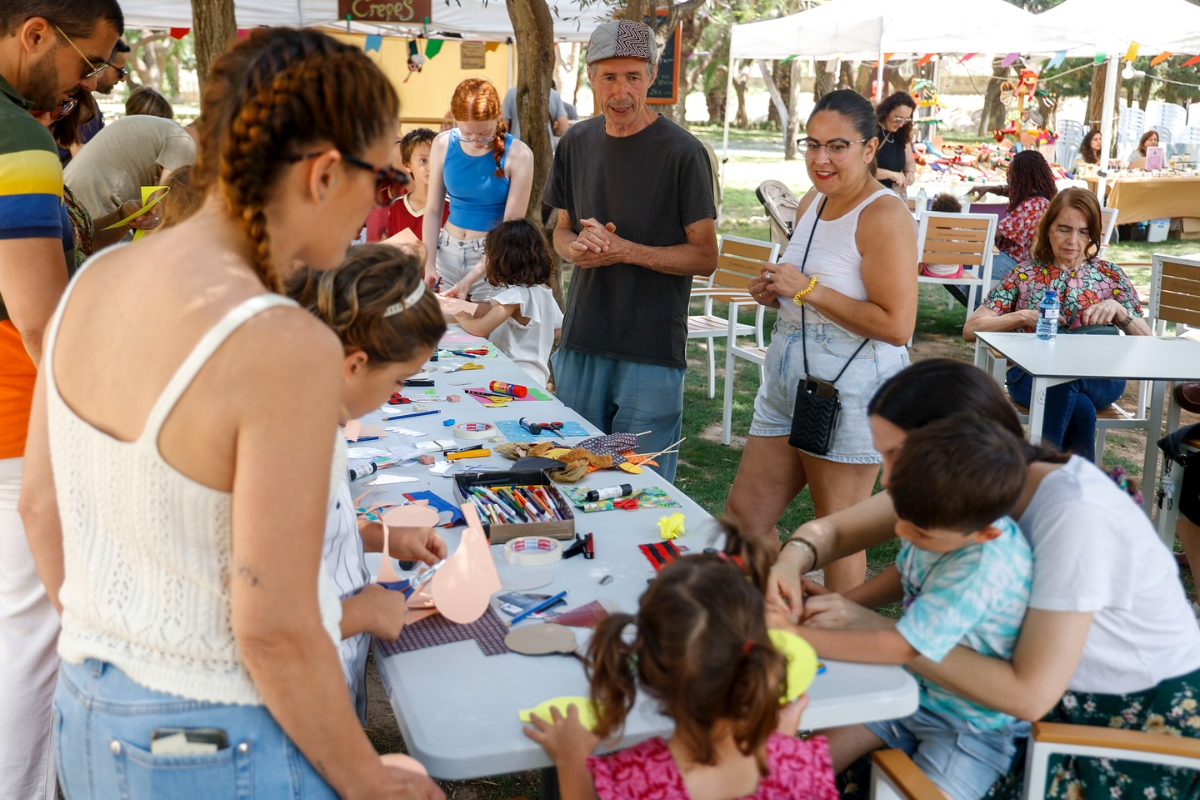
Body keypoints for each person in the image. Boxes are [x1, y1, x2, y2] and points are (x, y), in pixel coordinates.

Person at [19, 28, 442, 800]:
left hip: (89, 711)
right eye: (381, 181)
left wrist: (119, 646)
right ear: (323, 173)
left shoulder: (93, 282)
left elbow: (42, 508)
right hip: (221, 737)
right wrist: (372, 783)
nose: (375, 207)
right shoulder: (283, 341)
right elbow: (275, 628)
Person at [767, 358, 1200, 800]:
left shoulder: (1073, 514)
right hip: (978, 698)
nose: (889, 478)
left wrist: (867, 625)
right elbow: (843, 535)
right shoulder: (964, 486)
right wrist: (792, 561)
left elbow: (1028, 695)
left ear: (959, 445)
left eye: (896, 455)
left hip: (1112, 729)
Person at [776, 414, 1032, 800]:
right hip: (911, 688)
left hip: (970, 729)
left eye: (919, 534)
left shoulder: (983, 566)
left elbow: (900, 646)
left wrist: (792, 634)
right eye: (904, 521)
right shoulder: (938, 520)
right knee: (800, 768)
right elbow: (908, 574)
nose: (902, 533)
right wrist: (835, 604)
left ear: (985, 533)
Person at [0, 4, 121, 798]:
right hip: (17, 418)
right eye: (89, 59)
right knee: (32, 640)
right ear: (36, 33)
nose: (91, 81)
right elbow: (40, 319)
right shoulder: (17, 139)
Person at [726, 89, 915, 593]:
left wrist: (806, 289)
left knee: (835, 535)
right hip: (789, 372)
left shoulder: (884, 214)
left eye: (837, 146)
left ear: (870, 148)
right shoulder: (813, 200)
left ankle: (834, 633)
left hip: (851, 384)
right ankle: (781, 611)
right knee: (744, 519)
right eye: (812, 144)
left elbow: (897, 325)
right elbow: (808, 292)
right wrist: (776, 294)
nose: (820, 158)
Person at [523, 522, 837, 800]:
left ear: (649, 671)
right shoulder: (803, 768)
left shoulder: (634, 780)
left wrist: (572, 761)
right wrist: (778, 743)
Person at [544, 20, 718, 484]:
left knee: (637, 486)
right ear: (590, 76)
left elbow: (705, 257)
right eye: (609, 77)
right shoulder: (575, 143)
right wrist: (577, 250)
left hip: (651, 349)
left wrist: (626, 251)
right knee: (571, 472)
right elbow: (561, 230)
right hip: (582, 339)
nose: (621, 92)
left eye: (633, 77)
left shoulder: (684, 153)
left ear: (652, 76)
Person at [285, 244, 447, 724]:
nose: (395, 398)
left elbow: (311, 532)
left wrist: (381, 536)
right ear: (354, 365)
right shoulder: (287, 449)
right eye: (399, 382)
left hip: (332, 670)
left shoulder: (319, 422)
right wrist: (366, 612)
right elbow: (259, 616)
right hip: (299, 698)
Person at [964, 188, 1151, 461]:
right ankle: (1074, 478)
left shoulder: (1110, 275)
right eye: (1064, 229)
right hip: (1033, 375)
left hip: (1101, 377)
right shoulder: (1025, 274)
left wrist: (1120, 311)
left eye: (1083, 232)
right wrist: (1022, 316)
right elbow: (971, 329)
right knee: (1077, 402)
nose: (1073, 241)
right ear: (1048, 228)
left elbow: (1148, 341)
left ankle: (1040, 468)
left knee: (1063, 381)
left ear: (1093, 235)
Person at [423, 78, 533, 299]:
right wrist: (429, 263)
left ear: (498, 118)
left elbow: (510, 229)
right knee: (443, 320)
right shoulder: (442, 144)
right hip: (447, 253)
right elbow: (433, 210)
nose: (475, 141)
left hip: (492, 257)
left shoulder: (519, 154)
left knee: (487, 321)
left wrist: (469, 280)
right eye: (466, 134)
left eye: (484, 134)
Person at [34, 92, 162, 265]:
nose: (48, 119)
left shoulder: (47, 173)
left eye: (64, 107)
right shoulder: (23, 180)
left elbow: (85, 243)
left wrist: (123, 217)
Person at [439, 219, 563, 387]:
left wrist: (464, 320)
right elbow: (557, 330)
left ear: (502, 259)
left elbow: (480, 328)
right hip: (537, 376)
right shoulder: (544, 292)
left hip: (512, 375)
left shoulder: (513, 297)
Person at [64, 112, 195, 218]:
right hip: (94, 198)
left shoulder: (167, 129)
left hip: (70, 188)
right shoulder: (184, 142)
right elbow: (165, 208)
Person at [965, 150, 1057, 280]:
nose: (1007, 176)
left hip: (1019, 264)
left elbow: (994, 232)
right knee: (966, 261)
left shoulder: (1033, 206)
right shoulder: (1037, 196)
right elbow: (1010, 190)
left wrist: (960, 230)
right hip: (1013, 258)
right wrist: (989, 189)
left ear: (1022, 177)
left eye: (1011, 173)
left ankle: (978, 294)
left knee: (968, 266)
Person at [367, 129, 448, 245]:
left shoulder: (453, 207)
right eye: (423, 160)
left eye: (435, 159)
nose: (431, 167)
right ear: (407, 165)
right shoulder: (396, 206)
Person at [58, 37, 126, 163]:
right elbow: (80, 156)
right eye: (120, 71)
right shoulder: (78, 102)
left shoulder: (87, 102)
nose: (123, 79)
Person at [873, 90, 916, 194]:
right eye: (898, 118)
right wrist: (891, 174)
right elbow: (861, 170)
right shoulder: (870, 132)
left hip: (892, 195)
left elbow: (909, 162)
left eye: (906, 120)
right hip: (870, 194)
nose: (901, 124)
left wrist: (910, 172)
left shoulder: (902, 133)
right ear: (886, 112)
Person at [502, 83, 568, 142]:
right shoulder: (554, 95)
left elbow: (505, 127)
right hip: (546, 146)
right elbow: (563, 128)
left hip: (518, 145)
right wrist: (551, 131)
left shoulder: (511, 93)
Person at [919, 193, 964, 279]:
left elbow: (924, 255)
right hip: (954, 272)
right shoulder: (959, 234)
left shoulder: (929, 232)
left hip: (931, 271)